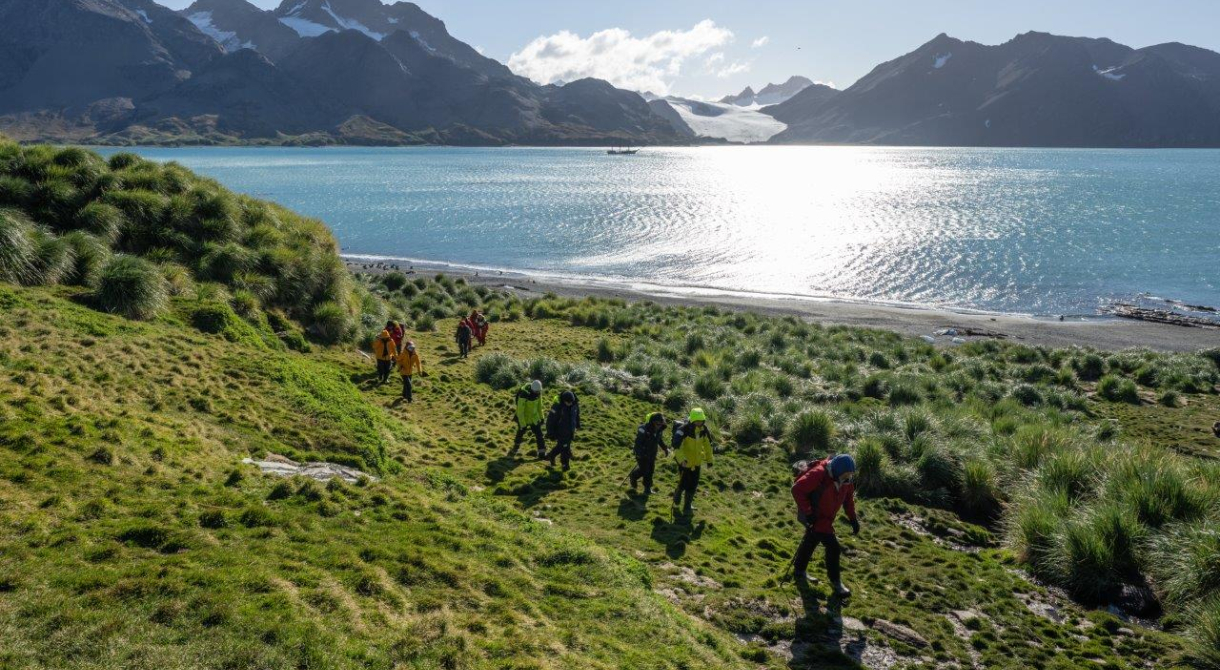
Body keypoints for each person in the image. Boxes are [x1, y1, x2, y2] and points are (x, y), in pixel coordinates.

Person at [791, 454, 860, 598]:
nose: (847, 478)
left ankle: (799, 571)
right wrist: (808, 512)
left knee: (811, 540)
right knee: (833, 548)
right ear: (837, 470)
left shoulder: (846, 480)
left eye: (850, 475)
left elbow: (848, 500)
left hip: (826, 518)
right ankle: (836, 583)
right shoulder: (819, 474)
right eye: (845, 474)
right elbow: (797, 489)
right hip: (815, 517)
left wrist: (853, 519)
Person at [672, 408, 713, 516]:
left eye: (701, 420)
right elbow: (677, 447)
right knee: (684, 483)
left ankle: (687, 506)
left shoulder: (703, 430)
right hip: (684, 463)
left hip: (697, 463)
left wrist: (709, 460)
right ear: (692, 420)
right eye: (697, 420)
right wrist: (681, 460)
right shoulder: (684, 429)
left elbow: (708, 446)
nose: (699, 423)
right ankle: (677, 494)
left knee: (693, 485)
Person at [630, 412, 669, 495]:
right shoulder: (644, 429)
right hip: (641, 454)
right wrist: (639, 453)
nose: (659, 425)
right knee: (645, 470)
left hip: (652, 453)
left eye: (660, 423)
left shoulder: (660, 430)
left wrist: (665, 448)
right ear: (652, 422)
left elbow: (659, 440)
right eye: (657, 423)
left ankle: (644, 486)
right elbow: (638, 443)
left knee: (650, 470)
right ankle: (636, 478)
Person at [544, 391, 581, 470]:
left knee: (562, 446)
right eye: (568, 402)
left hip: (570, 430)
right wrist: (550, 433)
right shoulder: (557, 406)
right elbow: (550, 421)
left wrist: (577, 424)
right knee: (565, 447)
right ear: (564, 401)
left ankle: (551, 455)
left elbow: (576, 415)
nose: (570, 404)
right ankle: (565, 465)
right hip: (560, 431)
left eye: (571, 402)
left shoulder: (574, 404)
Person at [511, 380, 545, 459]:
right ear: (533, 390)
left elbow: (540, 407)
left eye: (539, 391)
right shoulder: (524, 395)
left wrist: (542, 417)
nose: (538, 393)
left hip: (534, 418)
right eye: (537, 391)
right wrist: (522, 424)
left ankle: (542, 454)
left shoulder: (538, 394)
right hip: (524, 418)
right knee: (521, 432)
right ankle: (516, 446)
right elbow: (520, 411)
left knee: (540, 435)